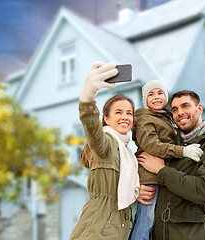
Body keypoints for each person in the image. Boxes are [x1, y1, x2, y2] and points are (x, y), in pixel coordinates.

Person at [138, 90, 205, 240]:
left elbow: (204, 191)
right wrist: (137, 189)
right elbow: (142, 163)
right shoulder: (169, 143)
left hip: (191, 233)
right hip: (157, 232)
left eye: (185, 106)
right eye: (174, 109)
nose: (179, 112)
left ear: (199, 109)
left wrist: (161, 170)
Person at [69, 62, 140, 240]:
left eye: (129, 113)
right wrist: (88, 95)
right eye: (119, 112)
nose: (125, 117)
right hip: (97, 231)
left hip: (116, 229)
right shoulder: (107, 143)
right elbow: (92, 128)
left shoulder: (128, 154)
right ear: (106, 119)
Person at [129, 81, 203, 240]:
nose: (156, 97)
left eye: (160, 93)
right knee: (146, 220)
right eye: (151, 94)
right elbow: (152, 145)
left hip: (162, 175)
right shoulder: (144, 118)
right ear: (145, 100)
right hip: (150, 177)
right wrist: (183, 151)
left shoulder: (164, 117)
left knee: (155, 222)